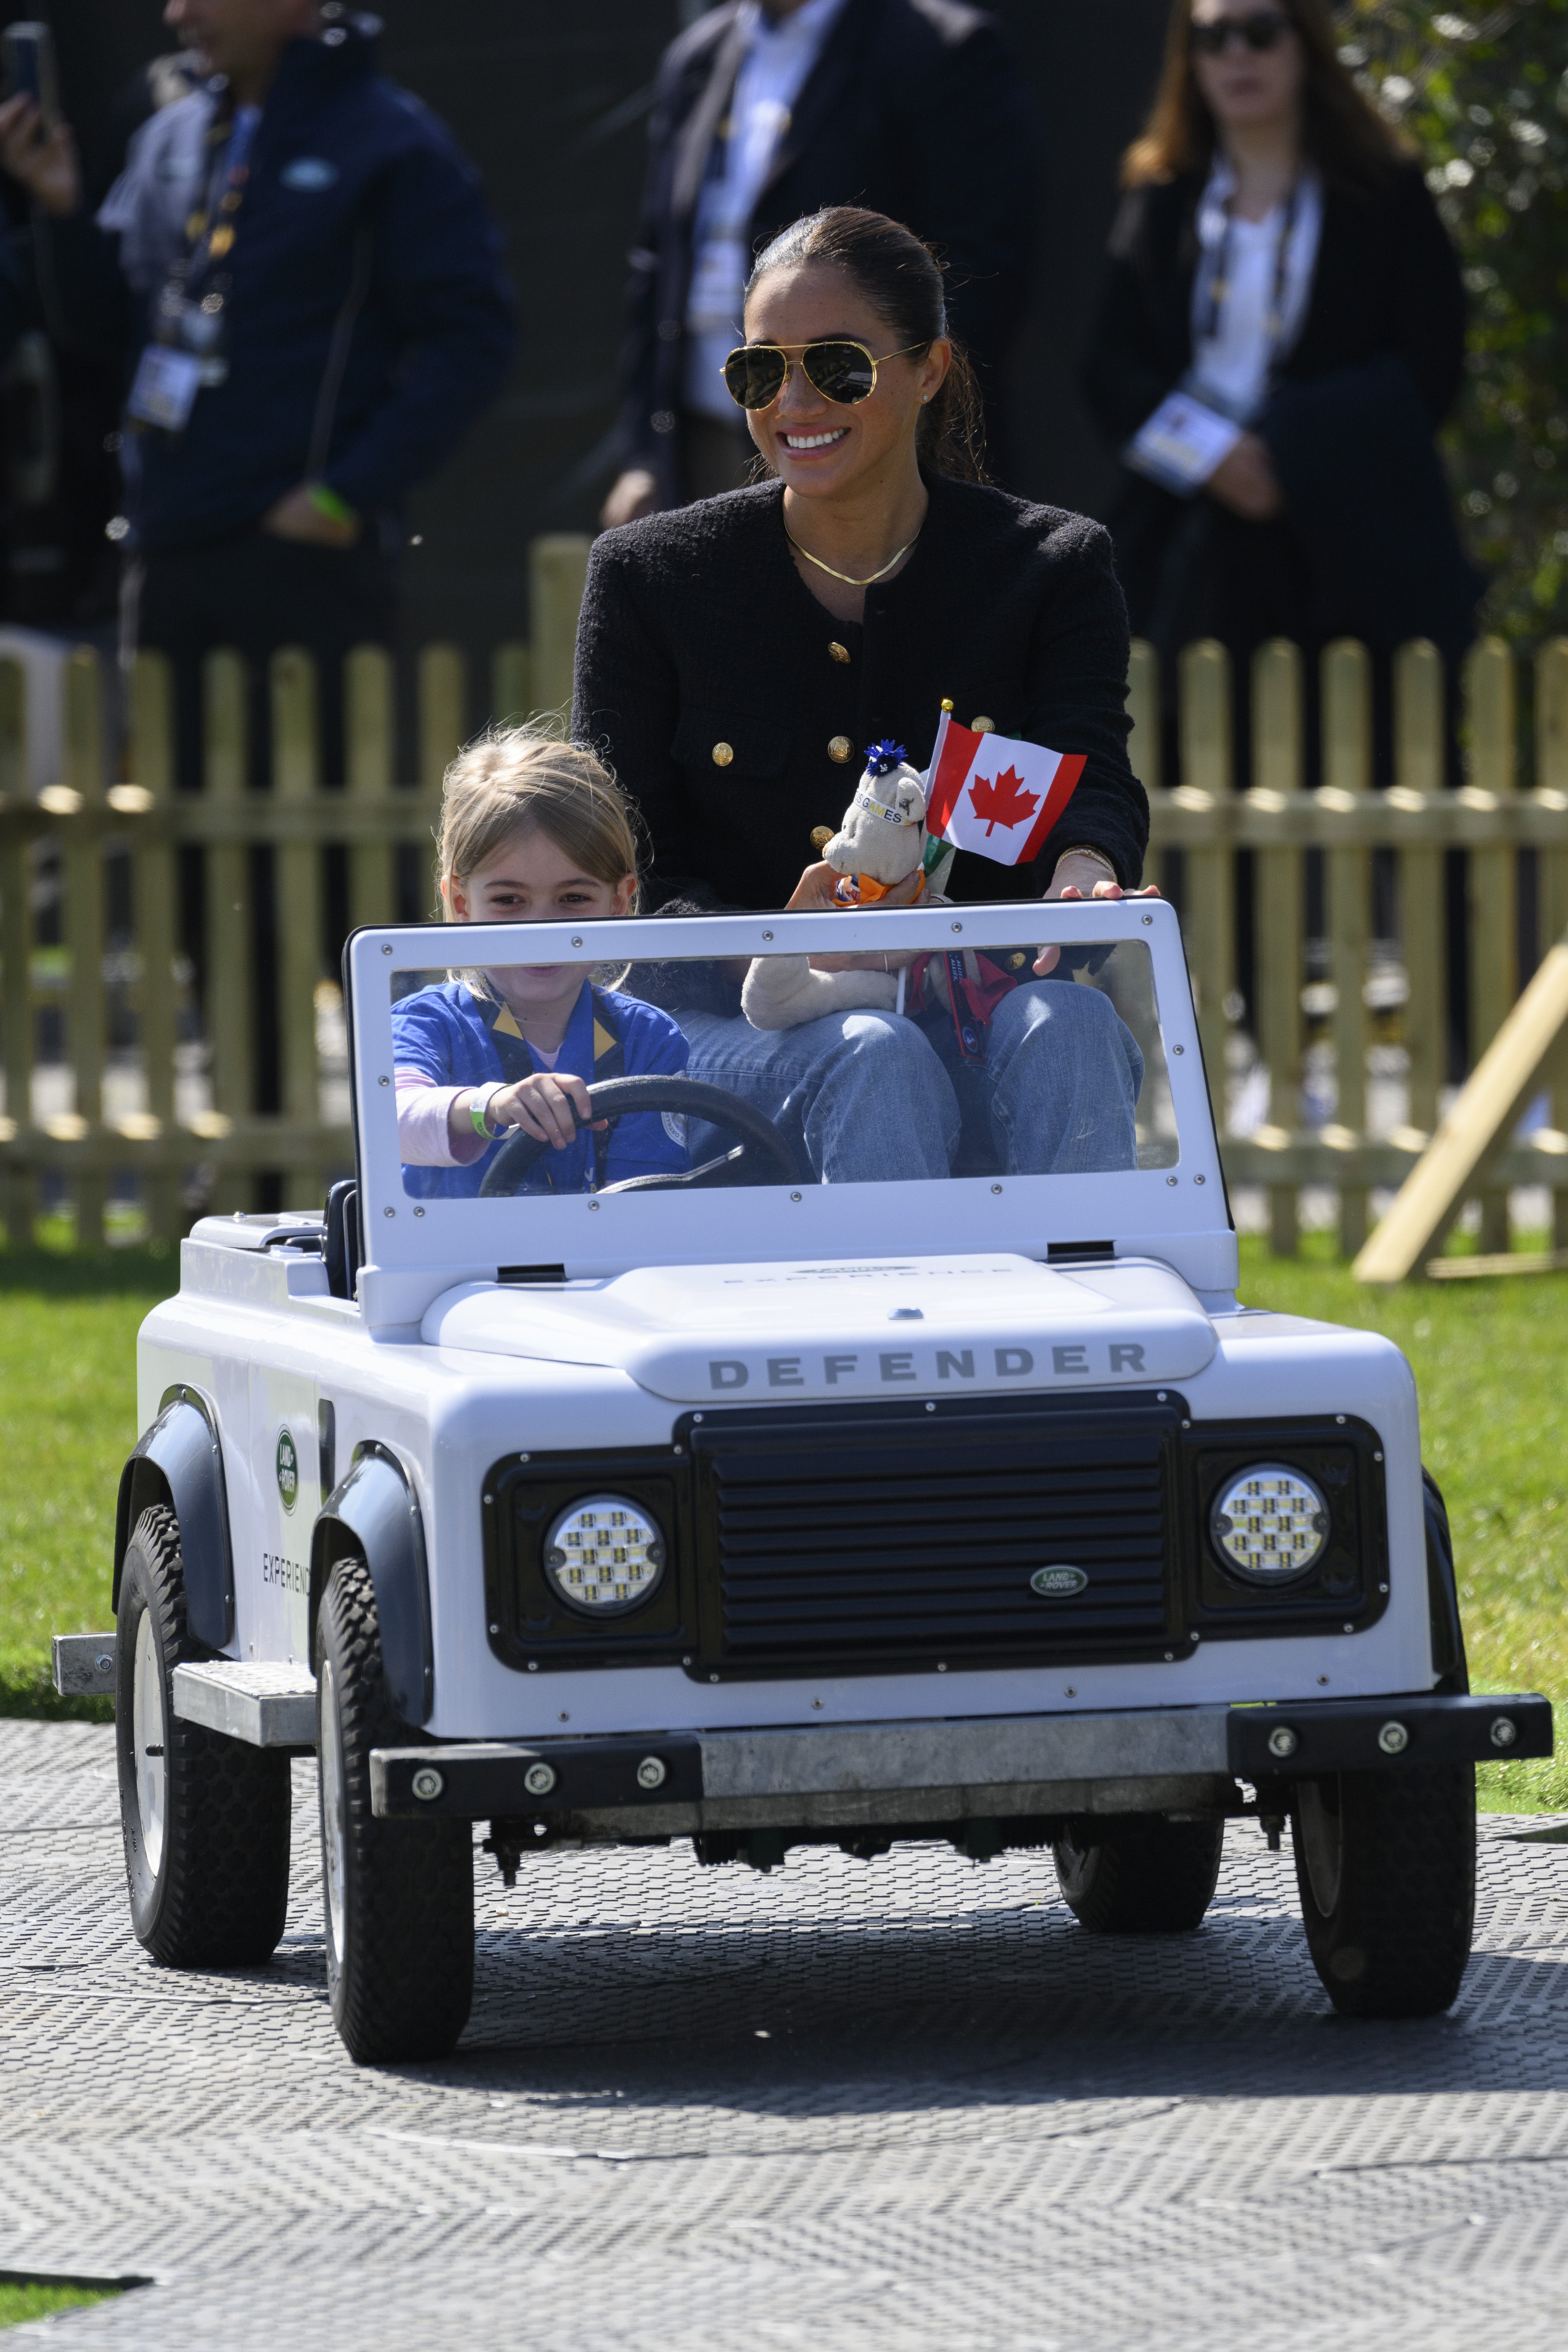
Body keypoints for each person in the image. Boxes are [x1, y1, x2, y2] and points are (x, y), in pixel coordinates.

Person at [575, 205, 1153, 1187]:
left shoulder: (1050, 567)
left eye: (837, 365)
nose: (793, 402)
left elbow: (1087, 770)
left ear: (928, 369)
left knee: (1073, 1023)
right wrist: (781, 946)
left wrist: (1081, 869)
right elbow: (620, 865)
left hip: (979, 1000)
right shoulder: (650, 578)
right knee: (870, 1052)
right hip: (731, 1024)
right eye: (760, 370)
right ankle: (901, 1337)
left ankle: (1095, 1332)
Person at [0, 0, 514, 785]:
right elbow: (101, 330)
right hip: (165, 547)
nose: (178, 13)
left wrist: (344, 494)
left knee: (323, 841)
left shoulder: (390, 140)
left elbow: (472, 340)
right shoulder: (164, 136)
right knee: (177, 840)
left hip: (303, 555)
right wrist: (64, 210)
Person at [1080, 0, 1478, 722]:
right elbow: (1110, 369)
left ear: (1305, 48)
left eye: (1260, 33)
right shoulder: (1162, 196)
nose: (1237, 56)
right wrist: (1213, 456)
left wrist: (1295, 450)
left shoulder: (1381, 191)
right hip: (1191, 535)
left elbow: (1431, 364)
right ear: (1189, 61)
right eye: (1211, 38)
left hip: (1351, 539)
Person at [601, 0, 1039, 526]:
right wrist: (646, 456)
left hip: (868, 461)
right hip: (705, 442)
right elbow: (659, 262)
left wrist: (886, 445)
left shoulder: (941, 49)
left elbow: (980, 272)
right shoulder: (697, 56)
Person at [393, 729, 690, 1200]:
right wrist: (486, 1106)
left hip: (603, 1271)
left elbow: (646, 1203)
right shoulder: (427, 1022)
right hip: (451, 1271)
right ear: (461, 903)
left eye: (573, 898)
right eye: (509, 900)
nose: (542, 929)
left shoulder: (650, 1038)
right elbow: (391, 1118)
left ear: (619, 903)